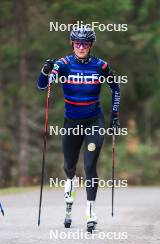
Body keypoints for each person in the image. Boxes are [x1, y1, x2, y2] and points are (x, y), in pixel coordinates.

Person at [37, 26, 120, 233]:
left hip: (94, 121)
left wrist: (115, 115)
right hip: (71, 123)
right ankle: (69, 195)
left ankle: (91, 212)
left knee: (90, 165)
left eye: (85, 43)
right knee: (69, 167)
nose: (81, 47)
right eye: (77, 43)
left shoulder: (101, 66)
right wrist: (45, 70)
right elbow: (42, 85)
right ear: (72, 44)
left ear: (91, 45)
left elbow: (115, 87)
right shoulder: (63, 64)